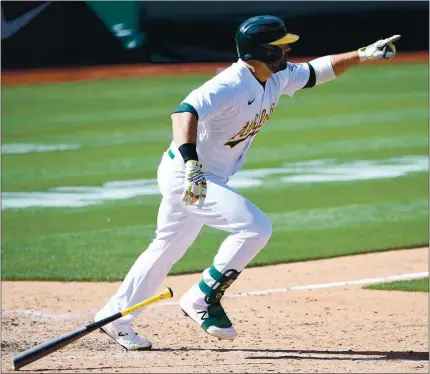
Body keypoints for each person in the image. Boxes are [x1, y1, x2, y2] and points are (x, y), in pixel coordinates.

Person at [95, 15, 401, 350]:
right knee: (255, 228)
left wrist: (362, 54)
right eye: (282, 46)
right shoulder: (230, 84)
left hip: (200, 175)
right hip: (190, 176)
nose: (288, 50)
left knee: (166, 248)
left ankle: (114, 317)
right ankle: (201, 299)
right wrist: (192, 164)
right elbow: (184, 112)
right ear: (264, 51)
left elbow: (316, 72)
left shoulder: (275, 76)